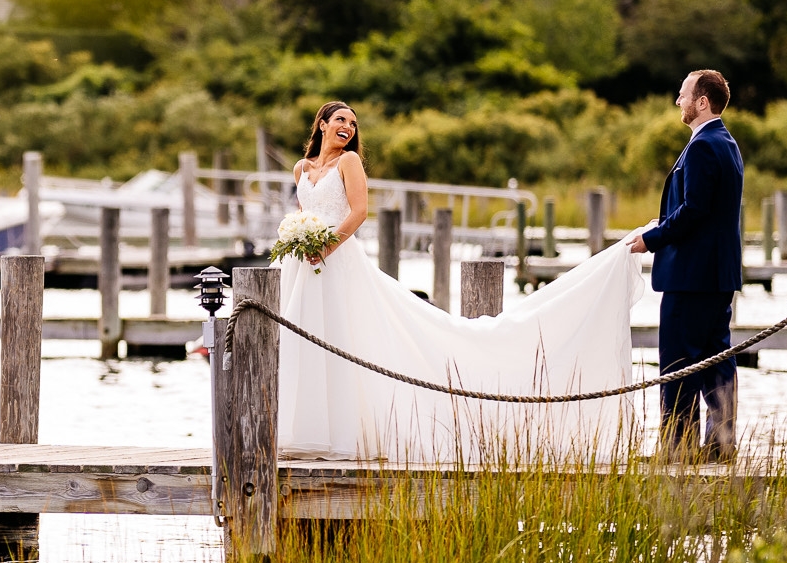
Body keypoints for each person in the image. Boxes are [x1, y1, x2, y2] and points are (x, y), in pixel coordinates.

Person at [270, 99, 638, 461]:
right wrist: (300, 239)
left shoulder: (349, 162)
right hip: (304, 265)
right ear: (322, 125)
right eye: (339, 120)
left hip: (337, 260)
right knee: (305, 336)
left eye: (352, 123)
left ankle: (342, 432)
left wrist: (328, 247)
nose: (347, 127)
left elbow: (360, 211)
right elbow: (305, 214)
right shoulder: (301, 169)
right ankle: (305, 430)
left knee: (344, 336)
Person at [628, 68, 745, 459]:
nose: (678, 101)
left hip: (691, 277)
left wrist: (652, 239)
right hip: (718, 276)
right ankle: (720, 445)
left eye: (683, 95)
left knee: (678, 364)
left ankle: (676, 449)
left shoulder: (702, 146)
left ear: (702, 102)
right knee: (717, 360)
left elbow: (694, 210)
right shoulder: (727, 143)